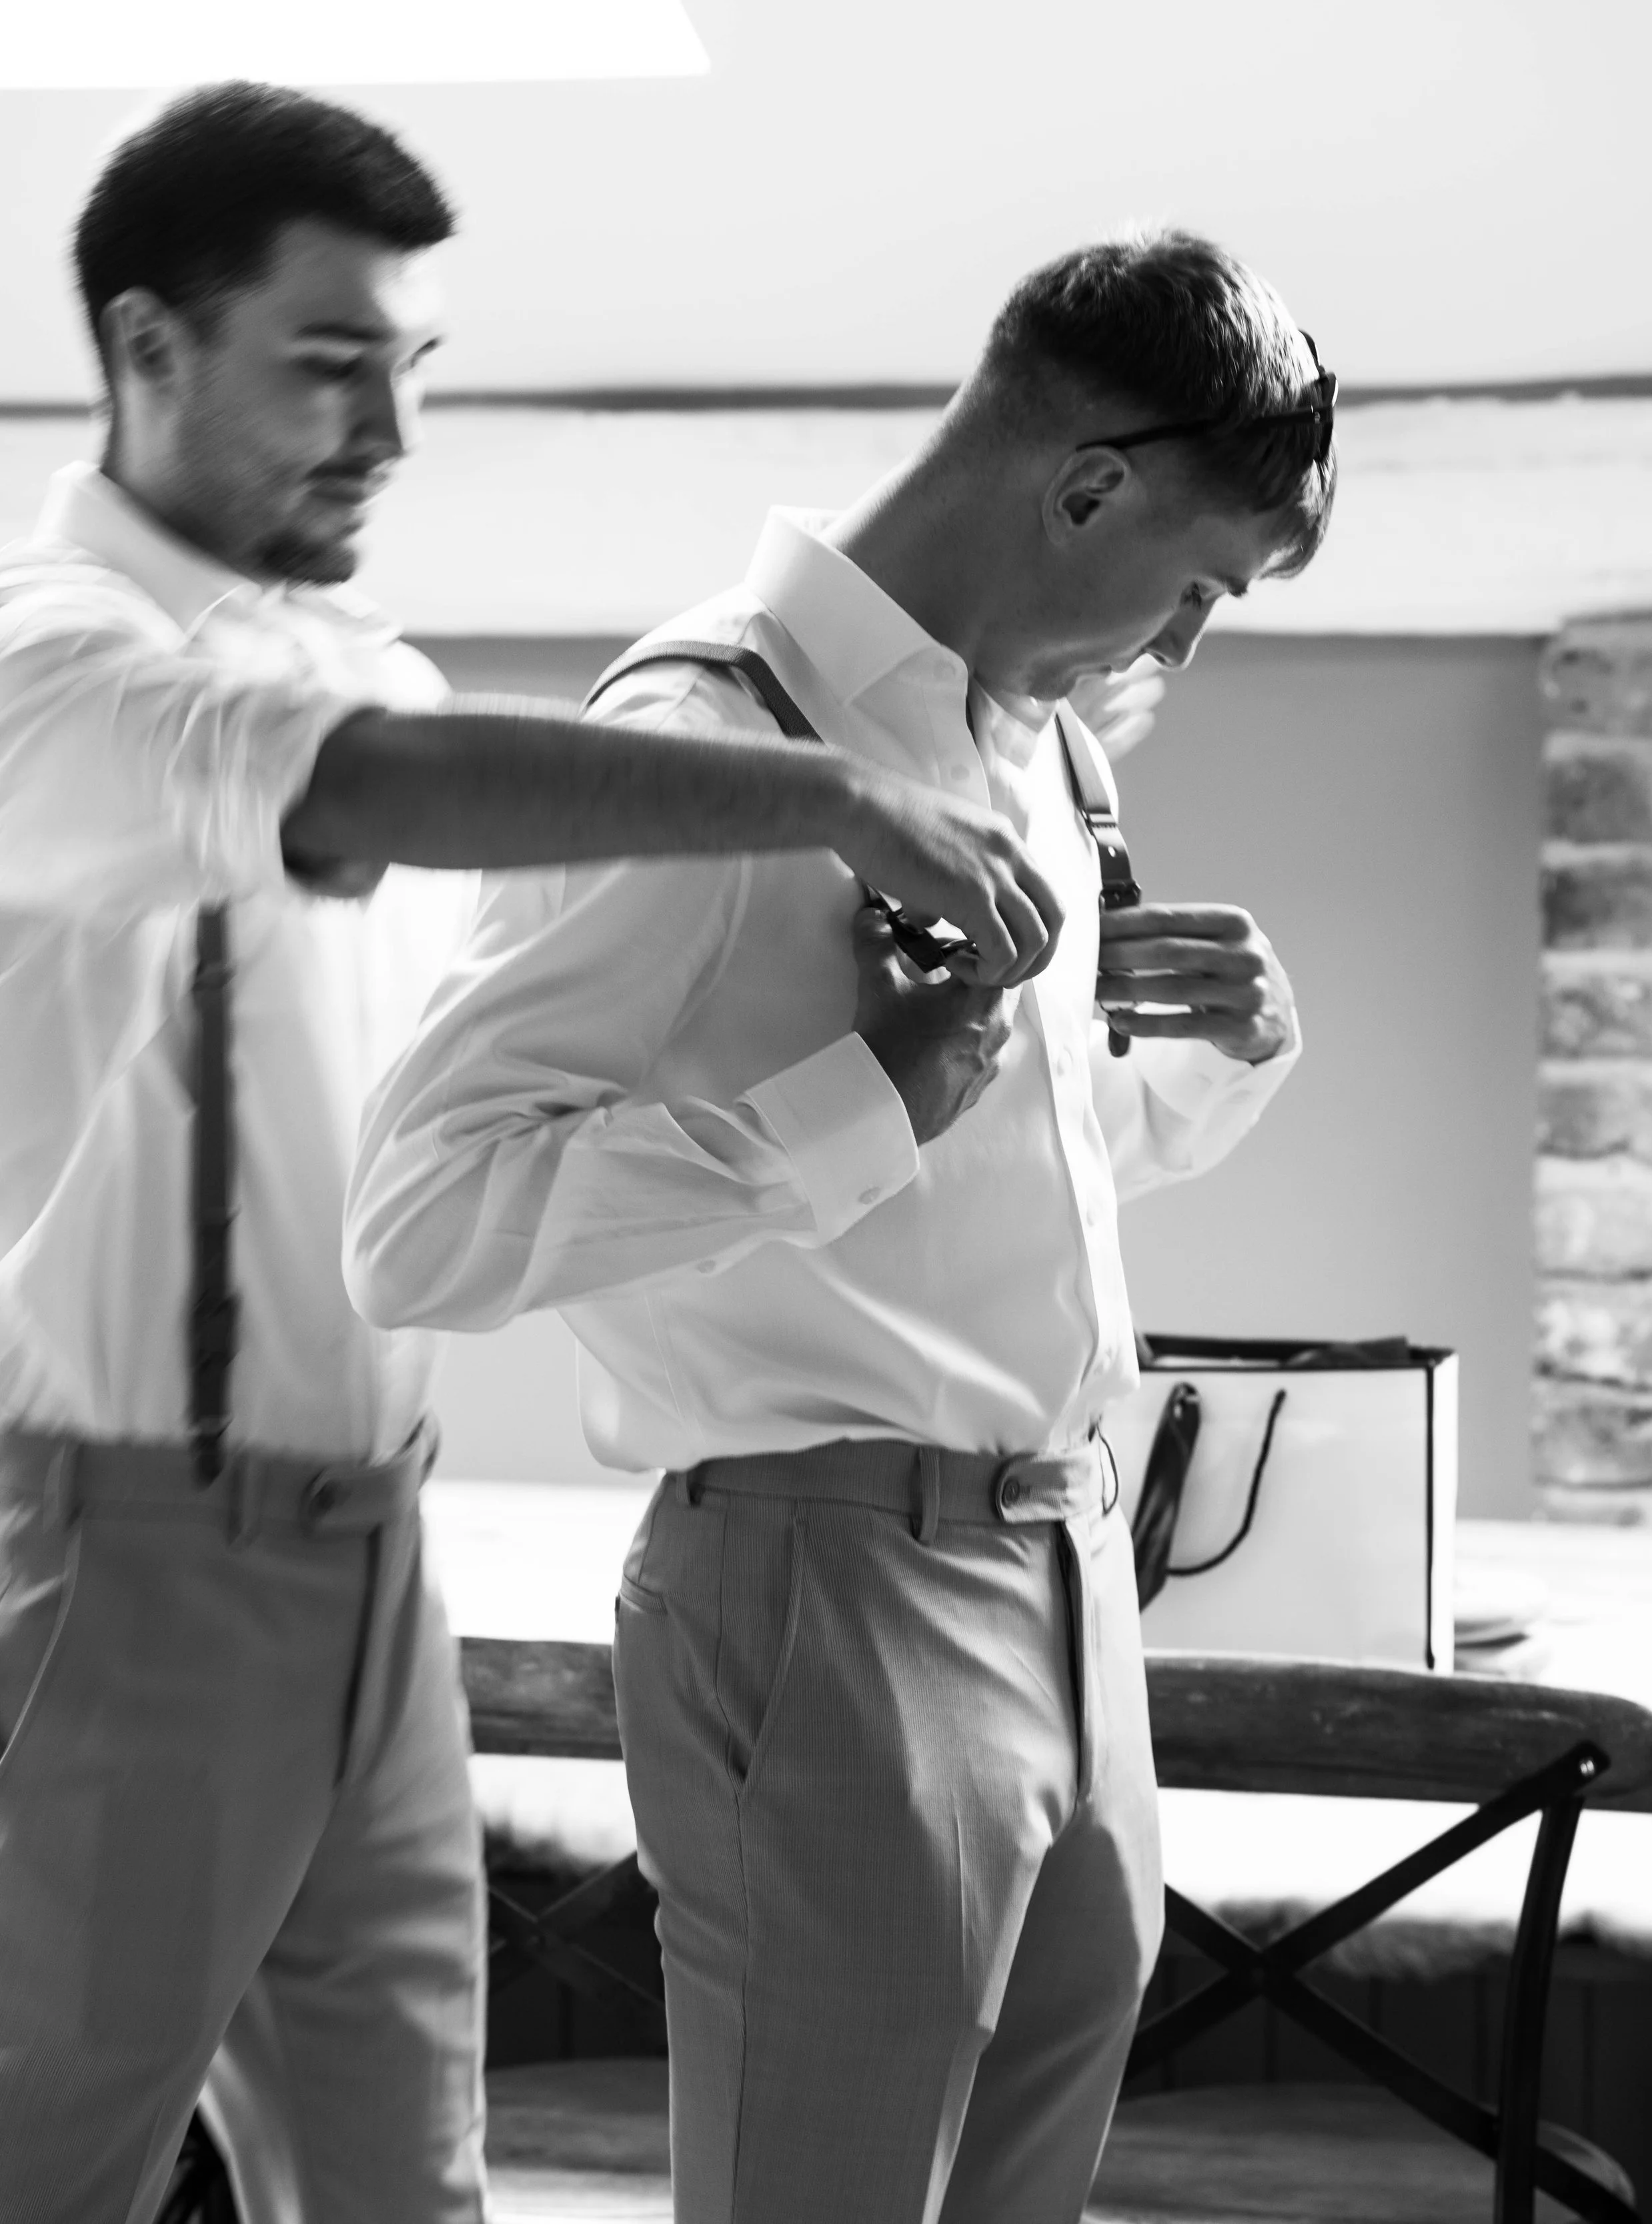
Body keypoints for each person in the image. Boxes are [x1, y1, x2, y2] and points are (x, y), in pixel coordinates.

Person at [0, 81, 1078, 2224]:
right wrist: (830, 795)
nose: (386, 434)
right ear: (144, 349)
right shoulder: (52, 666)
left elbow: (469, 1117)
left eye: (410, 373)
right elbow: (363, 781)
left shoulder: (358, 663)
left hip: (375, 1562)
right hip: (119, 1558)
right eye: (328, 367)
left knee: (411, 2190)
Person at [347, 229, 1335, 2224]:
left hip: (1065, 1572)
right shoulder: (708, 741)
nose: (1181, 655)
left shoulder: (1035, 751)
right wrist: (855, 1098)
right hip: (828, 1591)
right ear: (1083, 486)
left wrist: (1216, 1068)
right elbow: (420, 1225)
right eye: (1198, 589)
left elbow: (958, 1196)